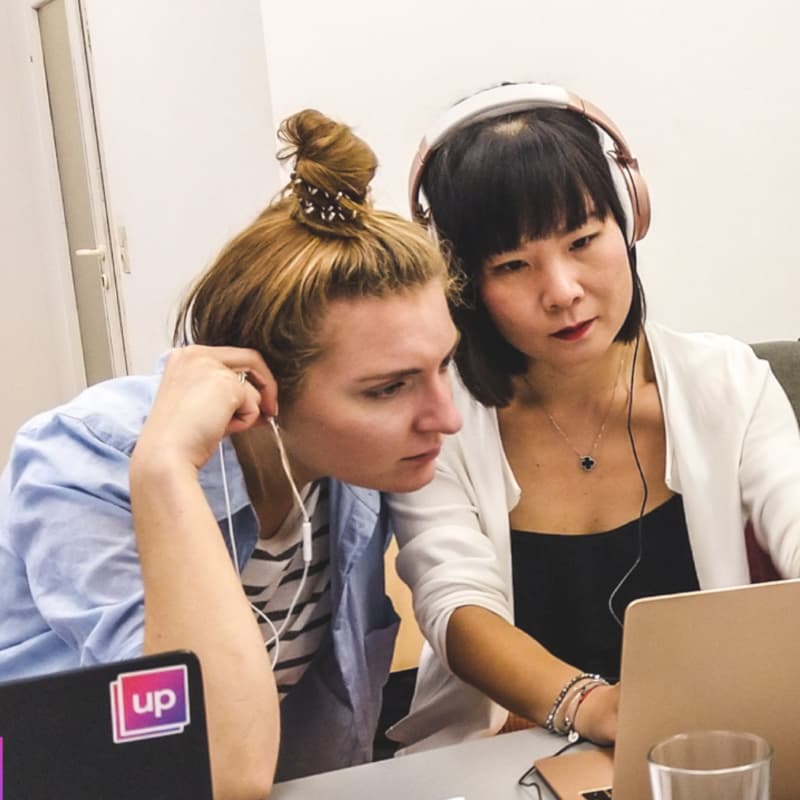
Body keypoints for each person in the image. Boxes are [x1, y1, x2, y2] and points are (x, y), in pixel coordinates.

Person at [0, 108, 461, 798]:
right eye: (388, 388)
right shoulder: (86, 460)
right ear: (262, 387)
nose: (444, 417)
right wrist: (164, 475)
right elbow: (213, 767)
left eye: (443, 367)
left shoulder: (360, 463)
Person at [386, 82, 800, 754]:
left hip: (700, 751)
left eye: (583, 239)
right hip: (501, 754)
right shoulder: (440, 417)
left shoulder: (725, 382)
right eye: (513, 264)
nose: (562, 291)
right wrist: (593, 705)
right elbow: (453, 605)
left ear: (629, 220)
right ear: (460, 279)